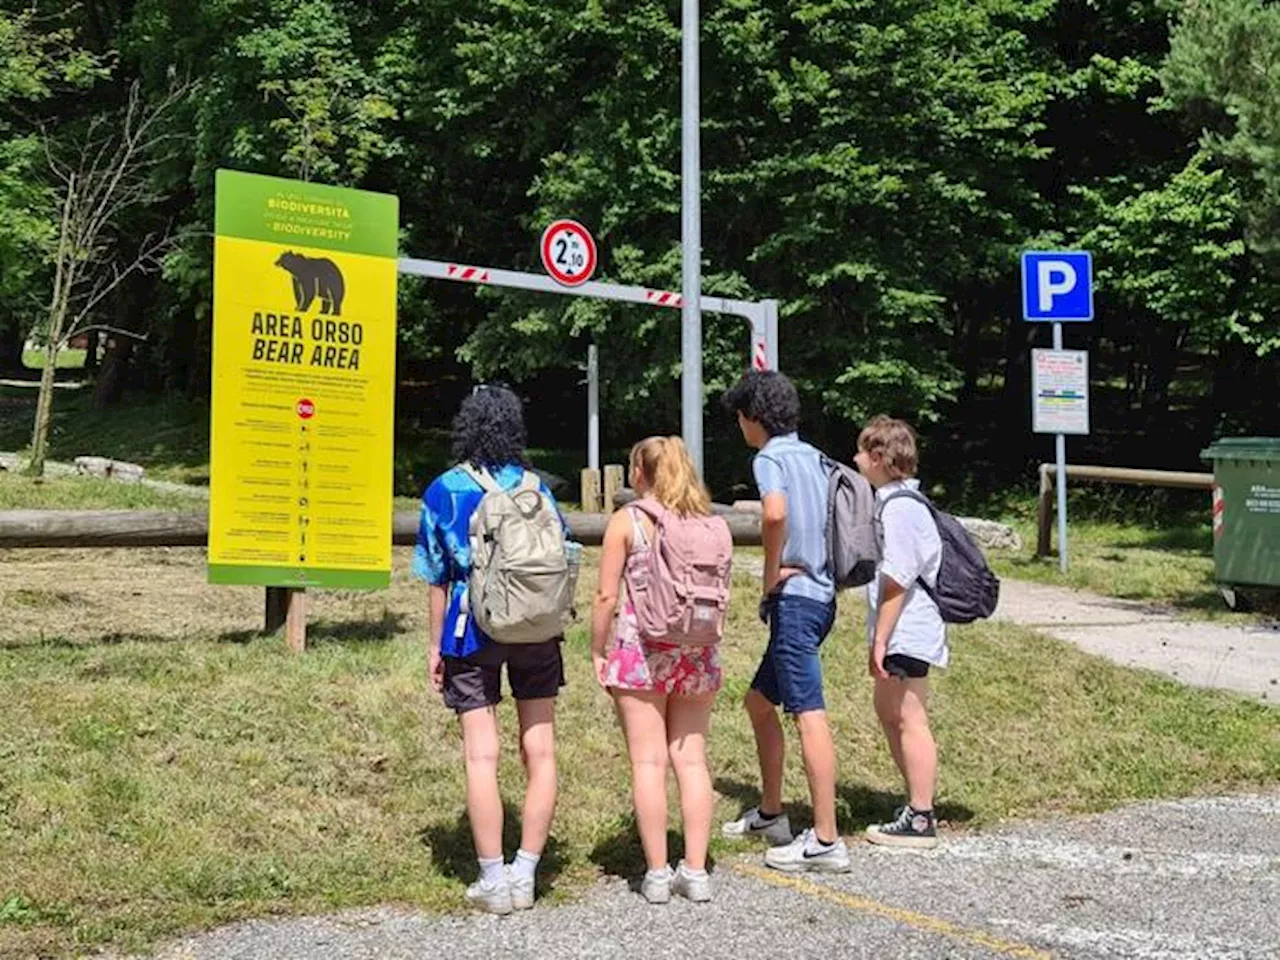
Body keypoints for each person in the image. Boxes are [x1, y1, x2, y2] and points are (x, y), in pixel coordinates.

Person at [414, 385, 566, 914]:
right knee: (540, 750)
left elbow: (435, 574)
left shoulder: (446, 489)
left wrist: (435, 645)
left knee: (482, 754)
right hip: (537, 629)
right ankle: (527, 871)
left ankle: (492, 879)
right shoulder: (537, 489)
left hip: (470, 629)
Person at [719, 371, 850, 873]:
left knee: (807, 712)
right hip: (823, 597)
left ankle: (824, 839)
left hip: (795, 599)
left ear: (755, 417)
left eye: (740, 415)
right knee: (758, 702)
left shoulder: (769, 457)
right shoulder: (817, 457)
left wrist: (771, 575)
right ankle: (773, 813)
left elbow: (774, 515)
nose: (739, 425)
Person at [591, 436, 729, 903]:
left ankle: (656, 873)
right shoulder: (709, 522)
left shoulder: (628, 521)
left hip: (642, 650)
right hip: (698, 651)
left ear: (638, 474)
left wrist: (596, 648)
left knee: (648, 761)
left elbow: (607, 596)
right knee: (691, 759)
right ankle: (695, 870)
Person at [853, 415, 946, 849]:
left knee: (909, 717)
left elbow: (897, 579)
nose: (855, 460)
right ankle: (914, 801)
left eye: (860, 452)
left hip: (907, 630)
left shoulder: (902, 508)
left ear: (877, 458)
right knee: (890, 713)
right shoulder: (895, 502)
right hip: (899, 630)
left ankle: (922, 815)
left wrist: (880, 639)